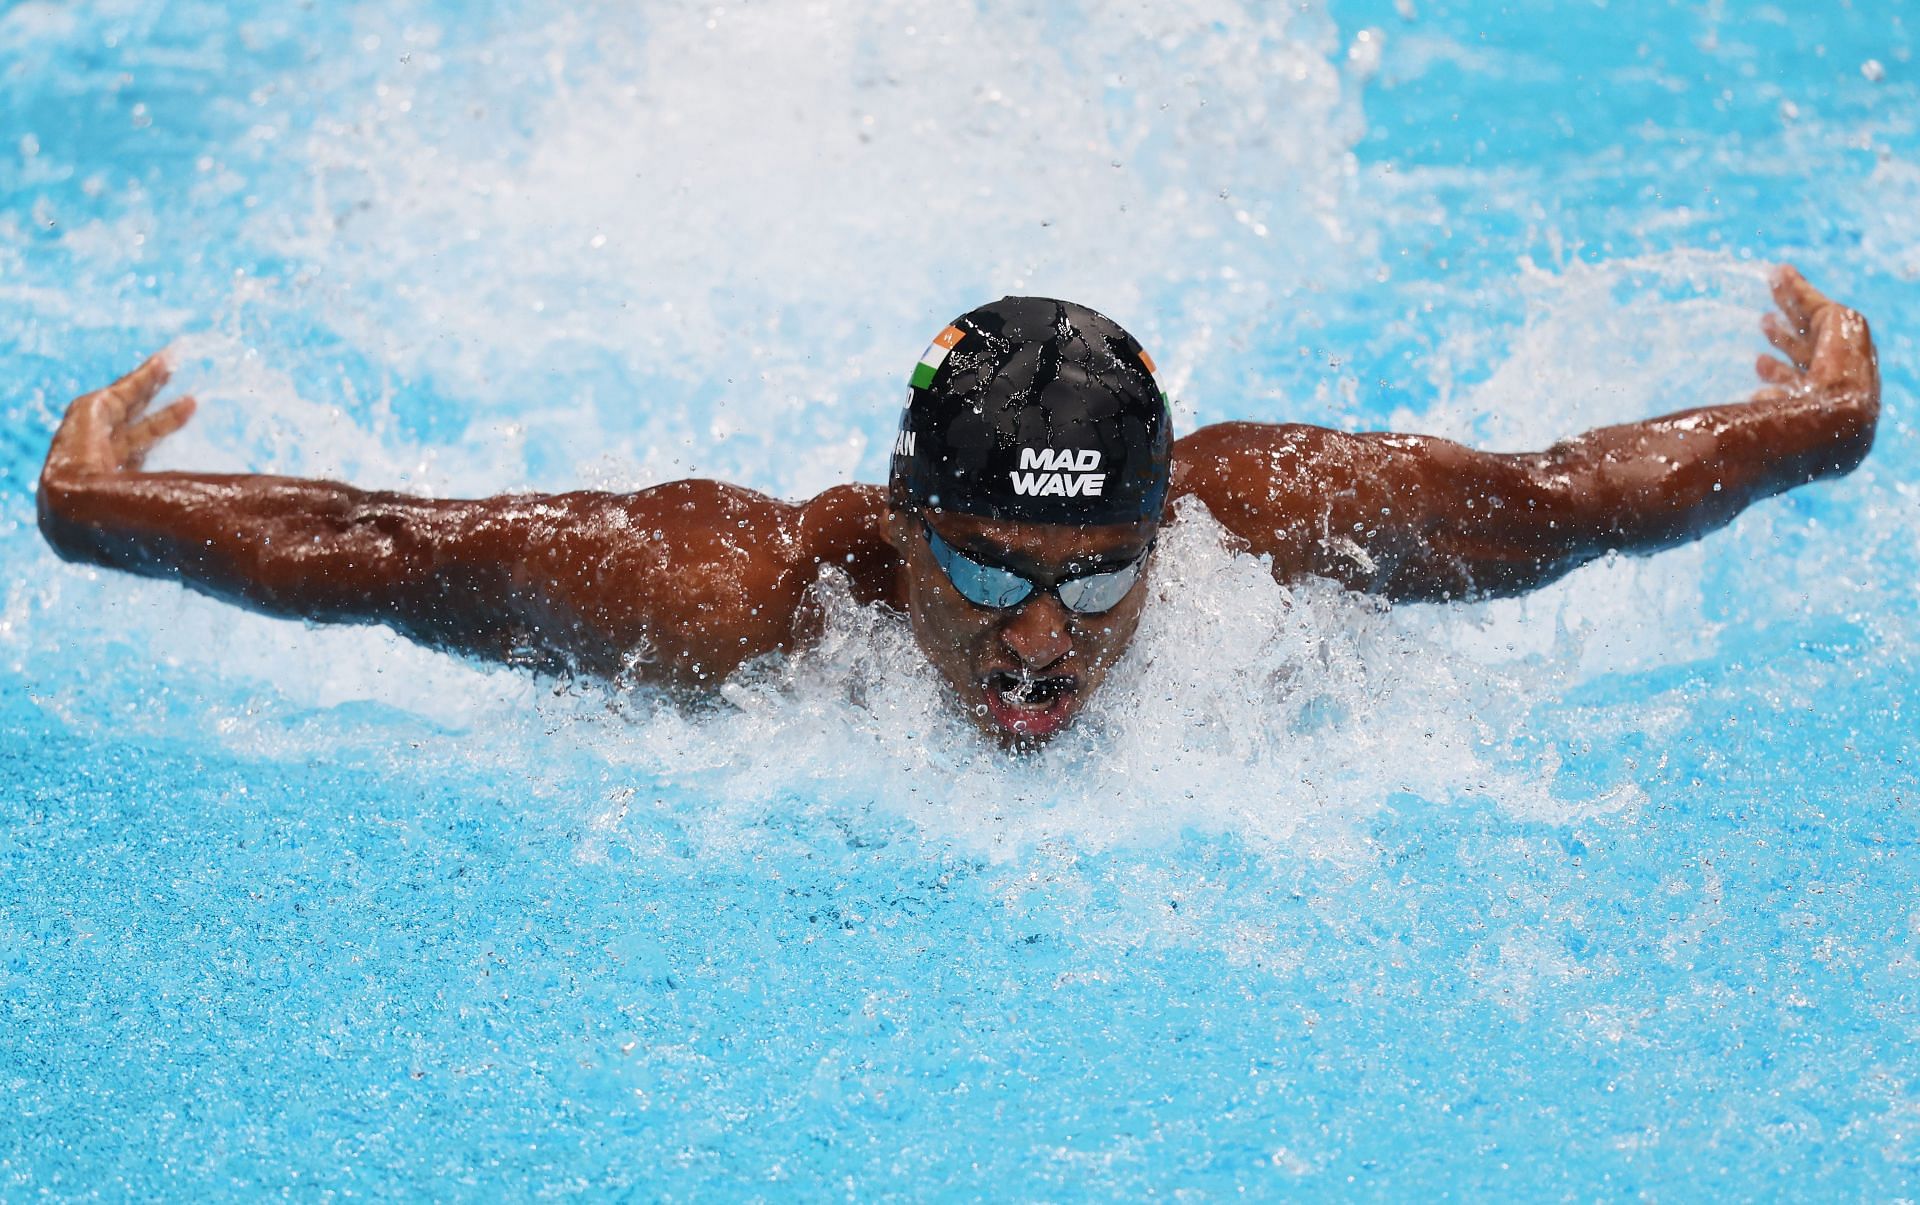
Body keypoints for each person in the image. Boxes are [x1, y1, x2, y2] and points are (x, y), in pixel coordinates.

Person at [37, 266, 1880, 745]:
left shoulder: (1265, 520)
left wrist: (1822, 428)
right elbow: (390, 550)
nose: (1034, 642)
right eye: (990, 566)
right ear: (900, 531)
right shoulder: (732, 595)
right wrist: (93, 507)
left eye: (1094, 583)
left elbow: (1574, 497)